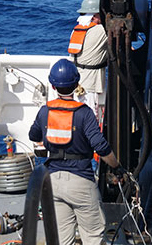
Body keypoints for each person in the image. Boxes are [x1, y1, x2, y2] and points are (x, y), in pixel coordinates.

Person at [29, 59, 125, 245]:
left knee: (61, 239)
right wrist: (117, 167)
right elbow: (101, 147)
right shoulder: (84, 113)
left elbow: (34, 135)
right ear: (76, 84)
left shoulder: (44, 111)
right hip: (81, 181)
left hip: (52, 182)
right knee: (93, 237)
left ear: (53, 85)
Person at [68, 0, 107, 121]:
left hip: (77, 81)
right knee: (90, 117)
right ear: (95, 15)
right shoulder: (101, 31)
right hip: (90, 84)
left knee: (79, 114)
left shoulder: (76, 30)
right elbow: (121, 28)